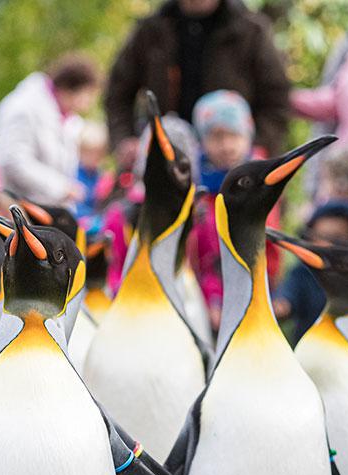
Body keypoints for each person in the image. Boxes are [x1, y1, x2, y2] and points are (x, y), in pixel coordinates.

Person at [104, 0, 290, 171]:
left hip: (233, 170)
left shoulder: (250, 30)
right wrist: (124, 139)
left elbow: (277, 99)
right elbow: (117, 93)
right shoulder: (151, 30)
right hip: (164, 166)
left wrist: (256, 149)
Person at [0, 53, 100, 208]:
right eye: (88, 95)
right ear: (72, 90)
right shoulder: (25, 108)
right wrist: (61, 188)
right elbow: (13, 161)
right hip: (12, 206)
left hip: (42, 208)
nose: (87, 104)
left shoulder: (67, 119)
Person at [188, 90, 255, 330]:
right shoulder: (198, 191)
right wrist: (211, 296)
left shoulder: (261, 186)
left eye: (234, 135)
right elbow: (197, 254)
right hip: (205, 299)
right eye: (216, 137)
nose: (226, 146)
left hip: (254, 295)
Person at [273, 202, 348, 345]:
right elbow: (284, 303)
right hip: (310, 357)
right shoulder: (303, 275)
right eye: (317, 238)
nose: (325, 246)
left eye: (336, 239)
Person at [75, 120, 113, 218]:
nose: (94, 159)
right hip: (78, 218)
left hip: (95, 217)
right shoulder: (74, 172)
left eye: (98, 155)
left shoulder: (98, 173)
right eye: (89, 154)